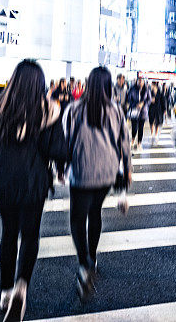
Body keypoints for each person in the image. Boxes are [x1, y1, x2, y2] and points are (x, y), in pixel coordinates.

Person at [0, 60, 64, 321]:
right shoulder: (49, 111)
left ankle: (6, 291)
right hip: (33, 181)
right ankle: (22, 285)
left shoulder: (1, 107)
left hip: (2, 179)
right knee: (30, 235)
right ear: (40, 84)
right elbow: (57, 149)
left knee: (8, 232)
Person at [63, 66, 131, 300]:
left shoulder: (74, 109)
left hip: (82, 172)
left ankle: (85, 263)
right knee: (95, 212)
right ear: (109, 85)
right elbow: (125, 143)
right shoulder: (116, 111)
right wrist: (127, 171)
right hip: (107, 173)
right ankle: (93, 255)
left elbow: (66, 142)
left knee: (77, 219)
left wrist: (61, 167)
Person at [126, 77, 151, 149]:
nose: (140, 82)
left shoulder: (147, 89)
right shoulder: (132, 88)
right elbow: (129, 100)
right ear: (137, 81)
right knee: (134, 127)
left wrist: (143, 103)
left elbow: (149, 100)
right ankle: (133, 140)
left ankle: (139, 143)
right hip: (134, 111)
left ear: (144, 82)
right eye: (139, 81)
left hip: (143, 111)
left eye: (141, 81)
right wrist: (135, 104)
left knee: (141, 128)